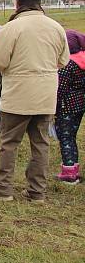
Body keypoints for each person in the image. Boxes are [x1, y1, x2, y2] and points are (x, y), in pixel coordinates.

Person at [0, 0, 69, 203]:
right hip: (45, 95)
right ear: (39, 1)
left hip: (17, 95)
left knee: (9, 143)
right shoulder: (56, 27)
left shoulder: (13, 28)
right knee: (40, 144)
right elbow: (63, 60)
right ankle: (37, 192)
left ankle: (3, 190)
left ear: (18, 2)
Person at [54, 30, 85, 184]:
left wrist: (54, 106)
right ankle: (74, 168)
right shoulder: (82, 60)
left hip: (66, 106)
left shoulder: (67, 64)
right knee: (71, 136)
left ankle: (68, 172)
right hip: (79, 104)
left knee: (65, 137)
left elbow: (60, 88)